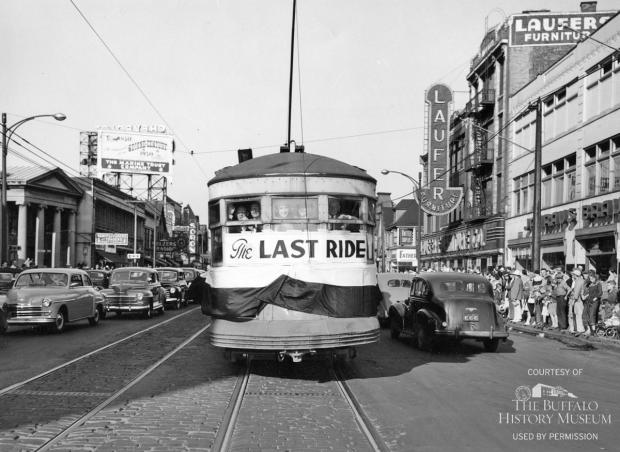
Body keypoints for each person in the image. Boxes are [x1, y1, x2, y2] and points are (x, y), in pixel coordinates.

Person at [566, 269, 586, 333]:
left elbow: (576, 293)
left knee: (577, 314)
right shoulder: (579, 280)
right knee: (576, 314)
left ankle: (579, 329)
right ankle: (575, 328)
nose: (572, 275)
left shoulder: (578, 281)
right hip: (577, 300)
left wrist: (573, 299)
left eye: (573, 274)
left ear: (575, 275)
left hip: (577, 300)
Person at [583, 272, 602, 336]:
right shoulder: (589, 284)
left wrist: (596, 298)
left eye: (592, 278)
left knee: (592, 314)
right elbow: (587, 292)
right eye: (590, 278)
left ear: (595, 278)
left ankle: (593, 331)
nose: (591, 279)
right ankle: (590, 330)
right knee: (587, 315)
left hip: (595, 301)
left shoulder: (598, 283)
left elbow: (600, 292)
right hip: (589, 301)